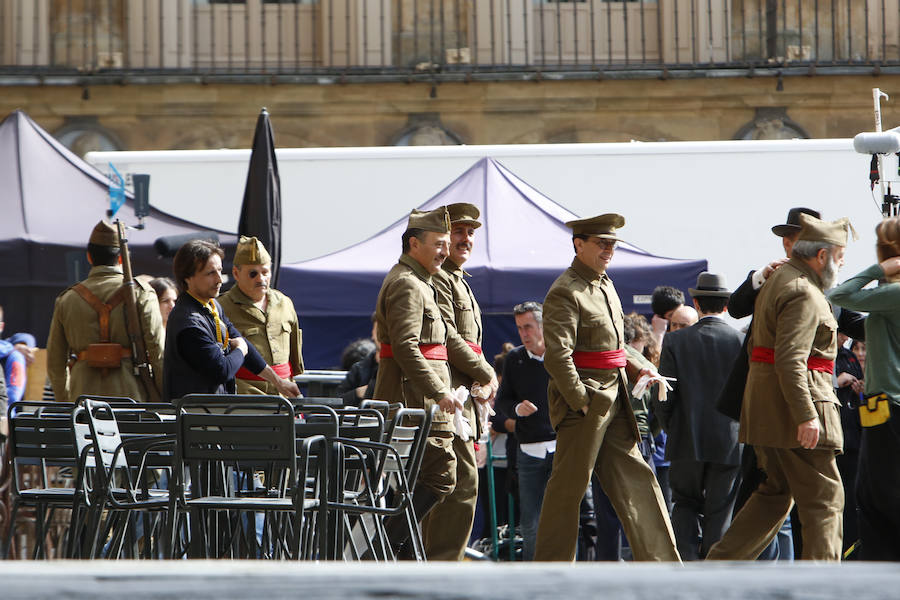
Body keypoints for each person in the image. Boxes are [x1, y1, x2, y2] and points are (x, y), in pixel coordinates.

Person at [532, 213, 679, 562]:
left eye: (612, 244)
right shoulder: (565, 291)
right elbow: (557, 356)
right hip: (588, 402)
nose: (609, 250)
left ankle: (665, 567)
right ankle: (550, 573)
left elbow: (615, 346)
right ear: (578, 244)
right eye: (602, 243)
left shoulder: (605, 284)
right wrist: (581, 401)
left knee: (639, 481)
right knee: (568, 491)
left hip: (615, 398)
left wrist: (643, 367)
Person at [707, 213, 849, 561]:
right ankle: (821, 587)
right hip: (797, 410)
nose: (841, 265)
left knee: (774, 495)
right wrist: (806, 415)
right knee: (825, 500)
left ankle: (714, 572)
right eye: (839, 257)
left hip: (772, 410)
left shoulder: (781, 280)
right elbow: (791, 359)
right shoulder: (803, 291)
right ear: (821, 256)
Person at [372, 206, 489, 557]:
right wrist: (439, 392)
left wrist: (485, 371)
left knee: (425, 483)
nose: (444, 250)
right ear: (414, 244)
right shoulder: (408, 283)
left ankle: (397, 553)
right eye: (438, 243)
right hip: (416, 403)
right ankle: (383, 550)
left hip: (426, 404)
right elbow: (407, 347)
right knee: (440, 478)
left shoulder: (420, 281)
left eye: (445, 244)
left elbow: (447, 338)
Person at [421, 202, 497, 561]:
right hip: (448, 394)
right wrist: (485, 371)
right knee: (460, 482)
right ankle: (441, 563)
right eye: (459, 232)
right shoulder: (439, 279)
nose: (466, 239)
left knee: (454, 482)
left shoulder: (457, 280)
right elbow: (450, 338)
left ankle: (434, 560)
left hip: (462, 394)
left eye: (471, 233)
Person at [827, 216, 900, 560]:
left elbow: (839, 294)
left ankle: (881, 562)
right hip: (881, 402)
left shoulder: (892, 294)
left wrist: (879, 268)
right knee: (872, 488)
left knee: (876, 491)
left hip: (888, 404)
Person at [657, 272, 744, 560]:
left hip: (686, 436)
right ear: (727, 305)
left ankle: (686, 569)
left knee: (684, 504)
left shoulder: (674, 342)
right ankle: (713, 575)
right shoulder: (740, 341)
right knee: (721, 512)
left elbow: (664, 394)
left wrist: (672, 427)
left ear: (695, 302)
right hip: (729, 439)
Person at [162, 239, 300, 402]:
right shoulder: (188, 321)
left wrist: (278, 382)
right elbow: (222, 369)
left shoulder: (211, 306)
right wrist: (240, 349)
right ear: (187, 278)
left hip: (213, 412)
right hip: (196, 418)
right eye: (210, 273)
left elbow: (242, 342)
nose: (219, 279)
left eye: (220, 271)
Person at [46, 221, 164, 402]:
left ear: (89, 257)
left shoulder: (67, 299)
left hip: (82, 399)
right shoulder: (142, 292)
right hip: (130, 397)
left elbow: (55, 363)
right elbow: (158, 351)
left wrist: (66, 401)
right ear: (121, 259)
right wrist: (161, 395)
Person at [494, 301, 553, 561]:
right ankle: (533, 580)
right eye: (519, 328)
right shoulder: (514, 359)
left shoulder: (560, 355)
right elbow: (502, 402)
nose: (524, 334)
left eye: (528, 327)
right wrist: (517, 408)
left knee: (570, 516)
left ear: (543, 326)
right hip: (528, 451)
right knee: (530, 522)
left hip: (561, 448)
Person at [218, 236, 305, 396]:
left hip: (284, 391)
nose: (261, 279)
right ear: (236, 273)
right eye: (253, 273)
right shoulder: (222, 307)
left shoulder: (285, 303)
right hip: (246, 392)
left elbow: (294, 355)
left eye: (265, 272)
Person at [833, 332, 863, 556]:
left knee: (851, 500)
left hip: (853, 440)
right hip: (831, 440)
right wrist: (836, 381)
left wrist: (862, 391)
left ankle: (848, 550)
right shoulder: (824, 353)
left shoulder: (848, 357)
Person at [335, 316, 380, 406]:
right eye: (380, 330)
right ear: (373, 333)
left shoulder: (399, 369)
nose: (385, 335)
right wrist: (358, 393)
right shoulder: (360, 368)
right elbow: (337, 402)